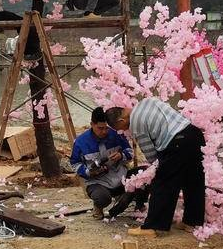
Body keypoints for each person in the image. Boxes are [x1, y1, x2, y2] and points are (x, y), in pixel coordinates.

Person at [106, 98, 205, 237]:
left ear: (121, 121)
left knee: (163, 183)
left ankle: (152, 226)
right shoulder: (146, 102)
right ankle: (192, 221)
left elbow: (152, 155)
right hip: (193, 134)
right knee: (193, 181)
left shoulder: (136, 125)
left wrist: (157, 169)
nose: (124, 130)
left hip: (176, 142)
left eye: (121, 128)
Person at [70, 107, 143, 219]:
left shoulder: (117, 134)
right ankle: (98, 206)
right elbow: (75, 163)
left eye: (106, 128)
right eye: (100, 128)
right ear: (92, 124)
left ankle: (137, 205)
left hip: (120, 176)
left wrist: (121, 155)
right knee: (102, 198)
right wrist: (88, 172)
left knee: (143, 175)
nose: (104, 132)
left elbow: (130, 152)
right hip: (97, 182)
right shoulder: (81, 142)